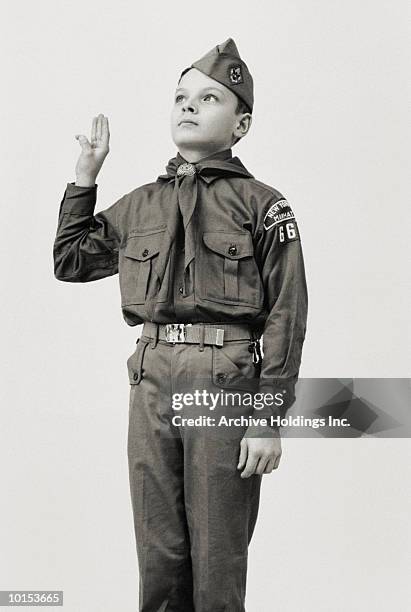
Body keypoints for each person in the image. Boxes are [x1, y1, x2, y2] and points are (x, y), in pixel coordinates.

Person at [53, 38, 308, 612]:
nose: (189, 107)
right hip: (151, 378)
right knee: (159, 551)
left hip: (224, 379)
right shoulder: (141, 204)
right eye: (180, 97)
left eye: (209, 98)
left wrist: (268, 417)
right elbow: (70, 261)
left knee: (217, 554)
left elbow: (288, 314)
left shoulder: (264, 206)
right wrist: (85, 178)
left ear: (241, 125)